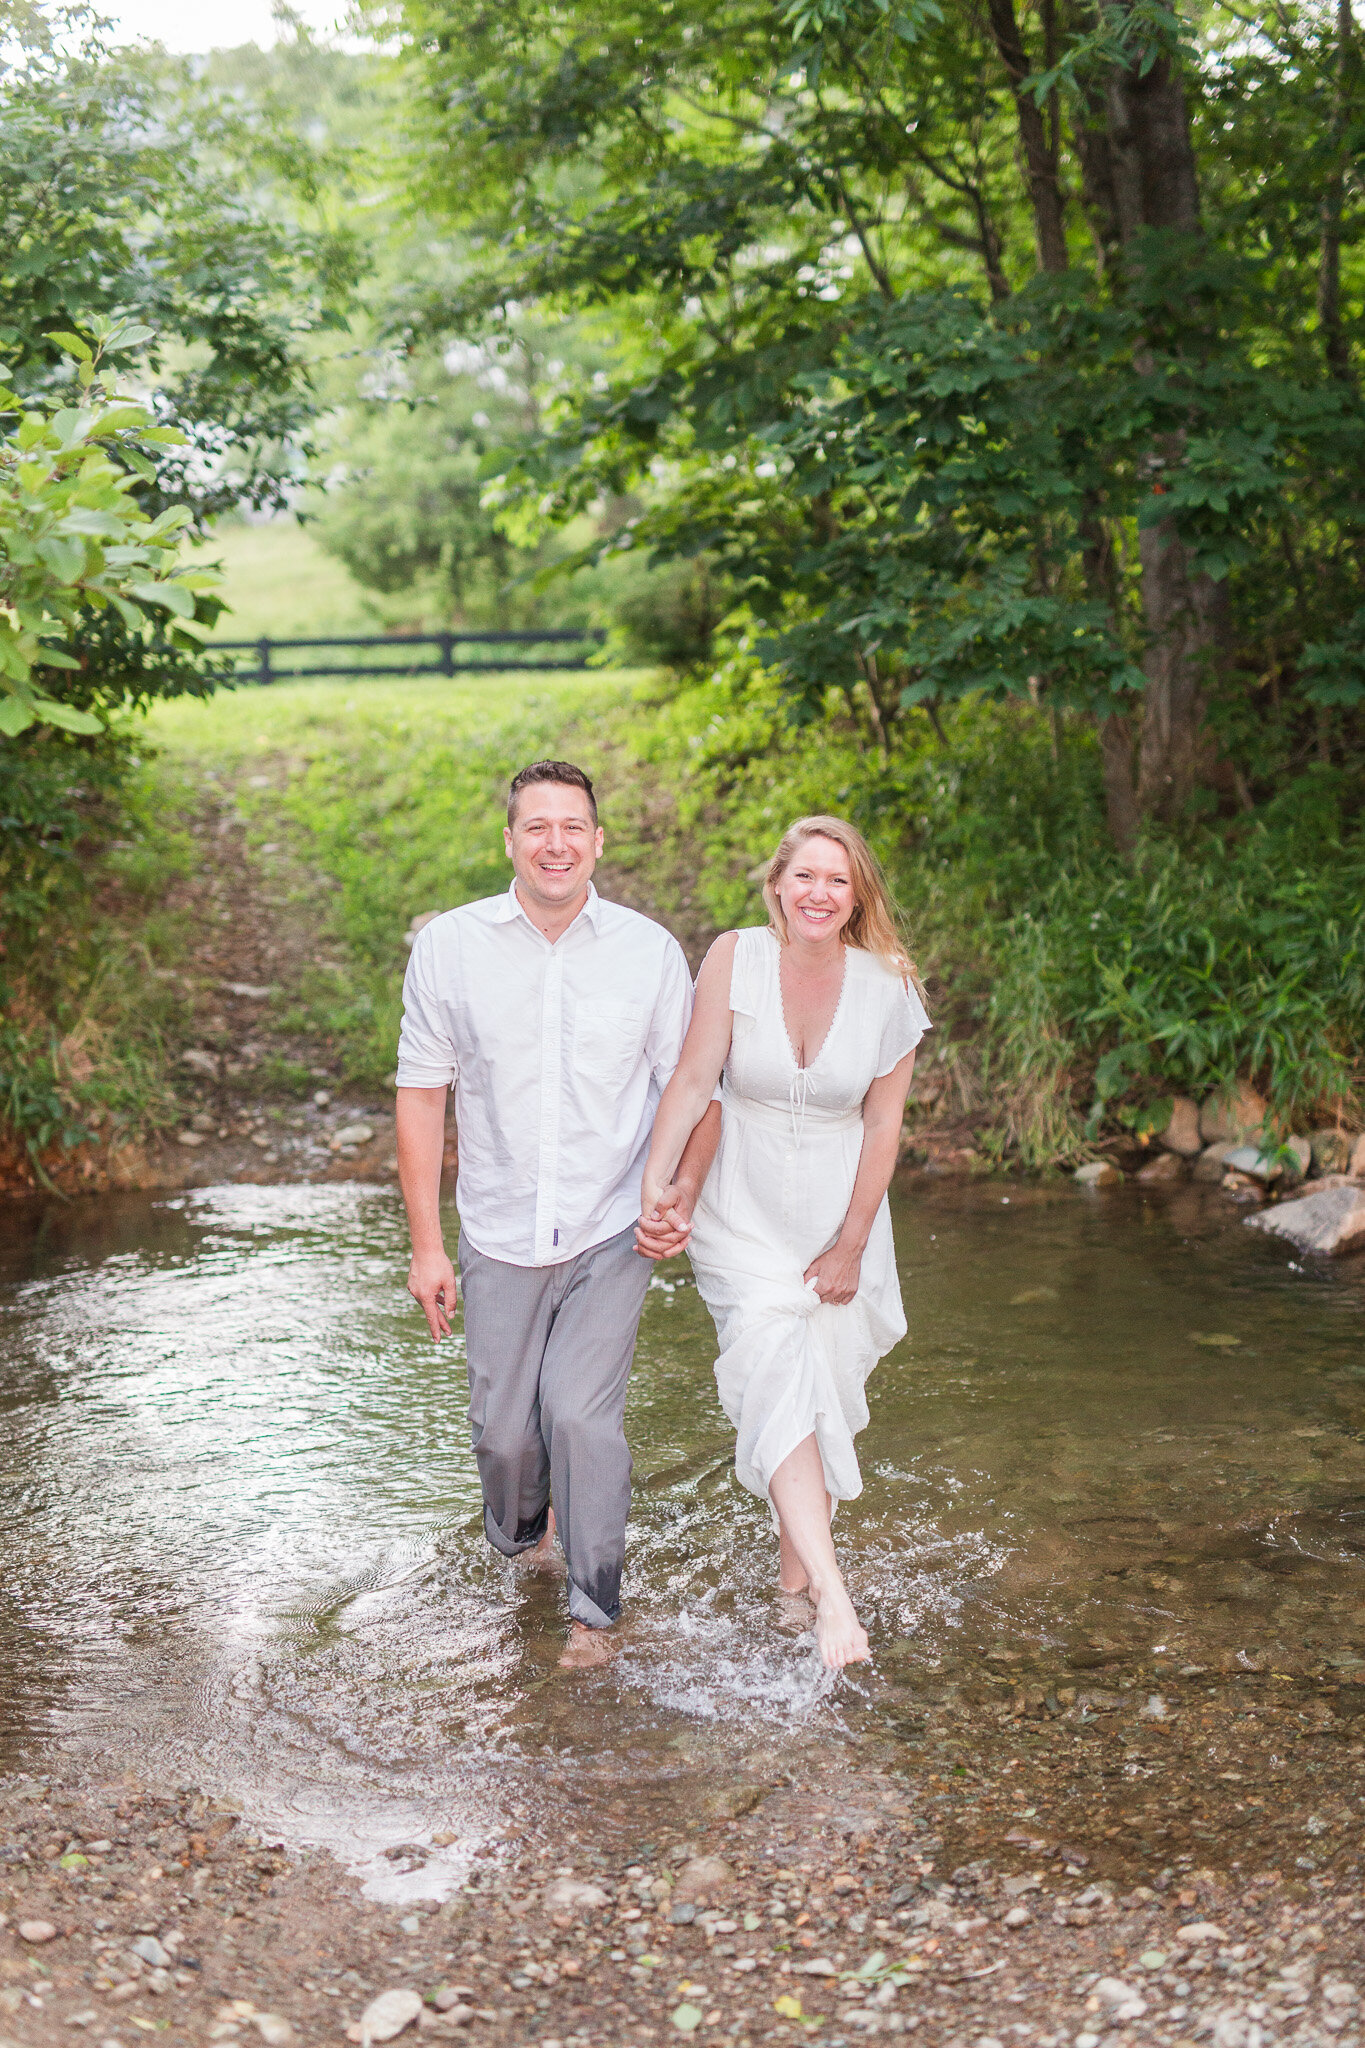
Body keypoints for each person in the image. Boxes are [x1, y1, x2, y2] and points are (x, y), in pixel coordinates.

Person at [395, 760, 719, 1669]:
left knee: (581, 1416)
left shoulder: (647, 952)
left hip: (611, 1225)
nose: (555, 843)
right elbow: (422, 1096)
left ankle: (593, 1614)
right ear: (509, 842)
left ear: (598, 841)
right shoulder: (450, 949)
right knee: (505, 1437)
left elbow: (696, 1094)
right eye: (537, 826)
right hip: (497, 1231)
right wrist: (428, 1248)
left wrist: (678, 1196)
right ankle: (524, 1539)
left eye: (572, 826)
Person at [638, 816, 929, 1670]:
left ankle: (791, 1594)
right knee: (775, 1375)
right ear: (776, 886)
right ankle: (837, 1602)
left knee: (820, 1396)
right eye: (804, 877)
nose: (818, 894)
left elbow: (883, 1124)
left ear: (856, 895)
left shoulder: (888, 985)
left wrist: (850, 1244)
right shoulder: (734, 957)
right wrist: (656, 1185)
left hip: (842, 1210)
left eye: (836, 881)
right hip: (742, 1209)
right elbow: (695, 1079)